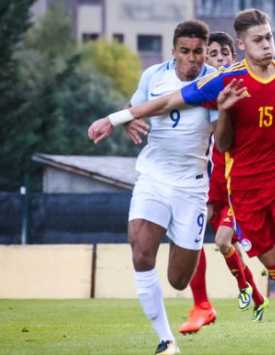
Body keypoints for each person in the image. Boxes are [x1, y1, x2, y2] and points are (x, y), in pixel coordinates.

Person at [89, 8, 275, 354]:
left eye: (269, 37)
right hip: (245, 190)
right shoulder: (223, 82)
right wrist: (117, 118)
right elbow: (172, 105)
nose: (267, 45)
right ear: (242, 43)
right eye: (258, 39)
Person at [97, 19, 216, 355]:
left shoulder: (215, 83)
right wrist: (125, 118)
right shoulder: (153, 76)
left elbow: (224, 140)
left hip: (191, 186)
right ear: (174, 50)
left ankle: (187, 308)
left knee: (179, 279)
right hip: (153, 176)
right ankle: (166, 341)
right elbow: (133, 106)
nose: (192, 58)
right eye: (185, 51)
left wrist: (227, 113)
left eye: (198, 52)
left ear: (206, 52)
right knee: (141, 250)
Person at [179, 31, 268, 334]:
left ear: (234, 56)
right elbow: (172, 101)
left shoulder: (245, 89)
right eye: (212, 54)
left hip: (240, 184)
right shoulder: (204, 91)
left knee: (227, 242)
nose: (218, 59)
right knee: (195, 238)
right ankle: (250, 294)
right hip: (210, 183)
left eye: (223, 54)